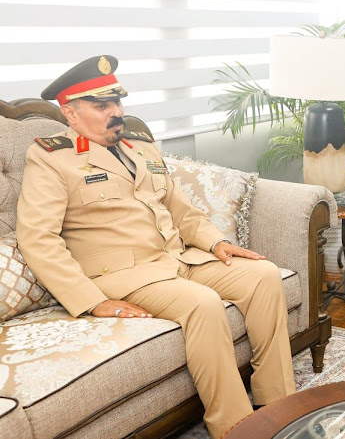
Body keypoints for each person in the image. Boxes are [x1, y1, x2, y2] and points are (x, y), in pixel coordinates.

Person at [16, 55, 295, 438]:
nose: (116, 113)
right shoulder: (52, 158)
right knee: (203, 303)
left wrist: (216, 243)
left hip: (176, 258)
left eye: (117, 102)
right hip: (123, 273)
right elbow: (38, 238)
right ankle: (236, 426)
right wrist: (92, 301)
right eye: (102, 106)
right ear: (71, 114)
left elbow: (180, 209)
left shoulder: (141, 148)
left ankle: (277, 401)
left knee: (263, 275)